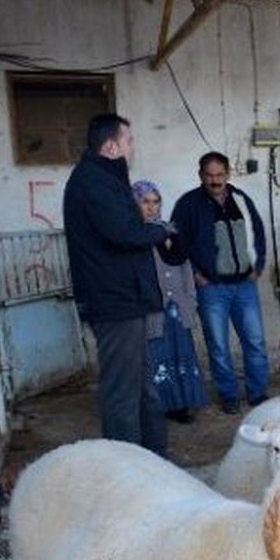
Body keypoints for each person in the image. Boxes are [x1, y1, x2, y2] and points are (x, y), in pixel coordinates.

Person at [63, 113, 174, 456]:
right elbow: (123, 233)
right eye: (128, 141)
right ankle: (126, 473)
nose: (131, 147)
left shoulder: (106, 180)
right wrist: (161, 231)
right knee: (123, 394)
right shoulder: (93, 182)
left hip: (129, 299)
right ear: (111, 146)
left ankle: (154, 463)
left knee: (144, 389)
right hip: (115, 303)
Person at [170, 152, 270, 415]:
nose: (215, 181)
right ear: (201, 175)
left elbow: (258, 233)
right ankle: (228, 395)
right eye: (209, 175)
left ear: (228, 174)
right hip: (211, 288)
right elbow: (177, 242)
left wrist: (257, 266)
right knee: (218, 346)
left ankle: (257, 393)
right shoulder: (188, 204)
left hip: (245, 286)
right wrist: (194, 273)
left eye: (219, 175)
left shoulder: (241, 199)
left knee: (256, 342)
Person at [132, 180, 208, 424]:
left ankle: (181, 404)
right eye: (145, 202)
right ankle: (160, 405)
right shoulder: (133, 236)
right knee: (157, 356)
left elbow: (185, 267)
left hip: (178, 308)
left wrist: (190, 301)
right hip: (152, 310)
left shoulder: (171, 232)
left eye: (156, 202)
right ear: (134, 204)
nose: (151, 207)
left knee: (180, 354)